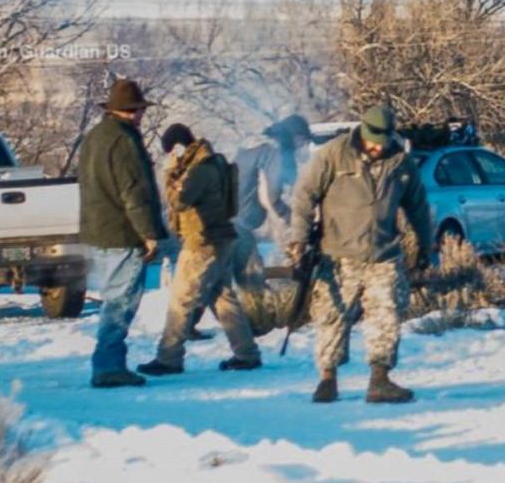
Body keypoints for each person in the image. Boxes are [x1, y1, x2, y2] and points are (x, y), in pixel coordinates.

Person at [288, 105, 432, 404]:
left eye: (383, 140)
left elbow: (417, 206)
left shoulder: (400, 162)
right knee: (332, 317)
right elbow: (304, 195)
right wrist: (299, 241)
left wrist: (425, 245)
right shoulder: (333, 154)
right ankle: (327, 379)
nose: (377, 146)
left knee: (386, 313)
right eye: (372, 139)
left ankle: (379, 379)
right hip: (338, 253)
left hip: (384, 253)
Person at [137, 124, 262, 376]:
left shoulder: (198, 171)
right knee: (223, 298)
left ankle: (169, 357)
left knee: (181, 299)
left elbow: (178, 202)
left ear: (178, 149)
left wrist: (170, 173)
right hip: (220, 239)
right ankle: (246, 353)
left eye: (171, 152)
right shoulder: (212, 163)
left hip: (202, 242)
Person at [78, 79, 168, 388]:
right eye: (140, 110)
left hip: (97, 230)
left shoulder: (94, 137)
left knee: (112, 299)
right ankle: (108, 366)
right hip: (121, 233)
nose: (142, 115)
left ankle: (108, 364)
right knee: (120, 302)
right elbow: (133, 192)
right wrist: (149, 233)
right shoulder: (124, 140)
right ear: (133, 111)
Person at [229, 114, 313, 335]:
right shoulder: (276, 150)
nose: (301, 147)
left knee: (212, 277)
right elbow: (273, 194)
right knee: (250, 273)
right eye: (303, 141)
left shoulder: (252, 143)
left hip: (226, 216)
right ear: (296, 136)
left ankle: (188, 327)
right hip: (240, 222)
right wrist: (294, 221)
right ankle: (257, 324)